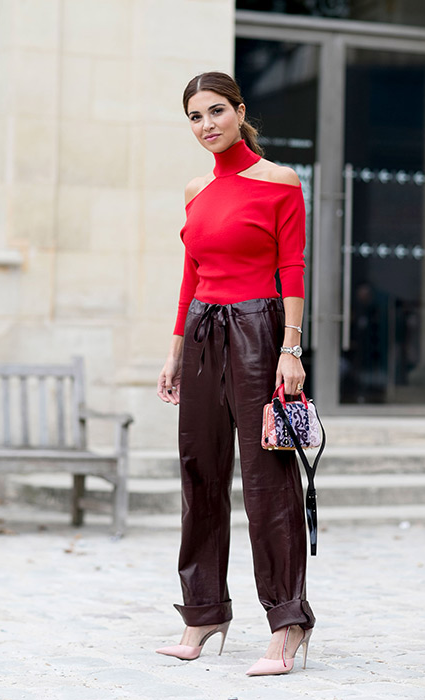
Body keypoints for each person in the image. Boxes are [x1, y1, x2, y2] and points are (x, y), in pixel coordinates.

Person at [155, 71, 315, 677]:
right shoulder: (196, 190)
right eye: (195, 117)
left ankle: (288, 622)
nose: (207, 125)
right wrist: (175, 351)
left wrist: (290, 348)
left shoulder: (279, 181)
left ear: (240, 112)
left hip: (258, 330)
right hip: (201, 331)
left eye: (217, 111)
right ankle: (203, 613)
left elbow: (292, 266)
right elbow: (191, 274)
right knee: (199, 471)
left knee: (268, 480)